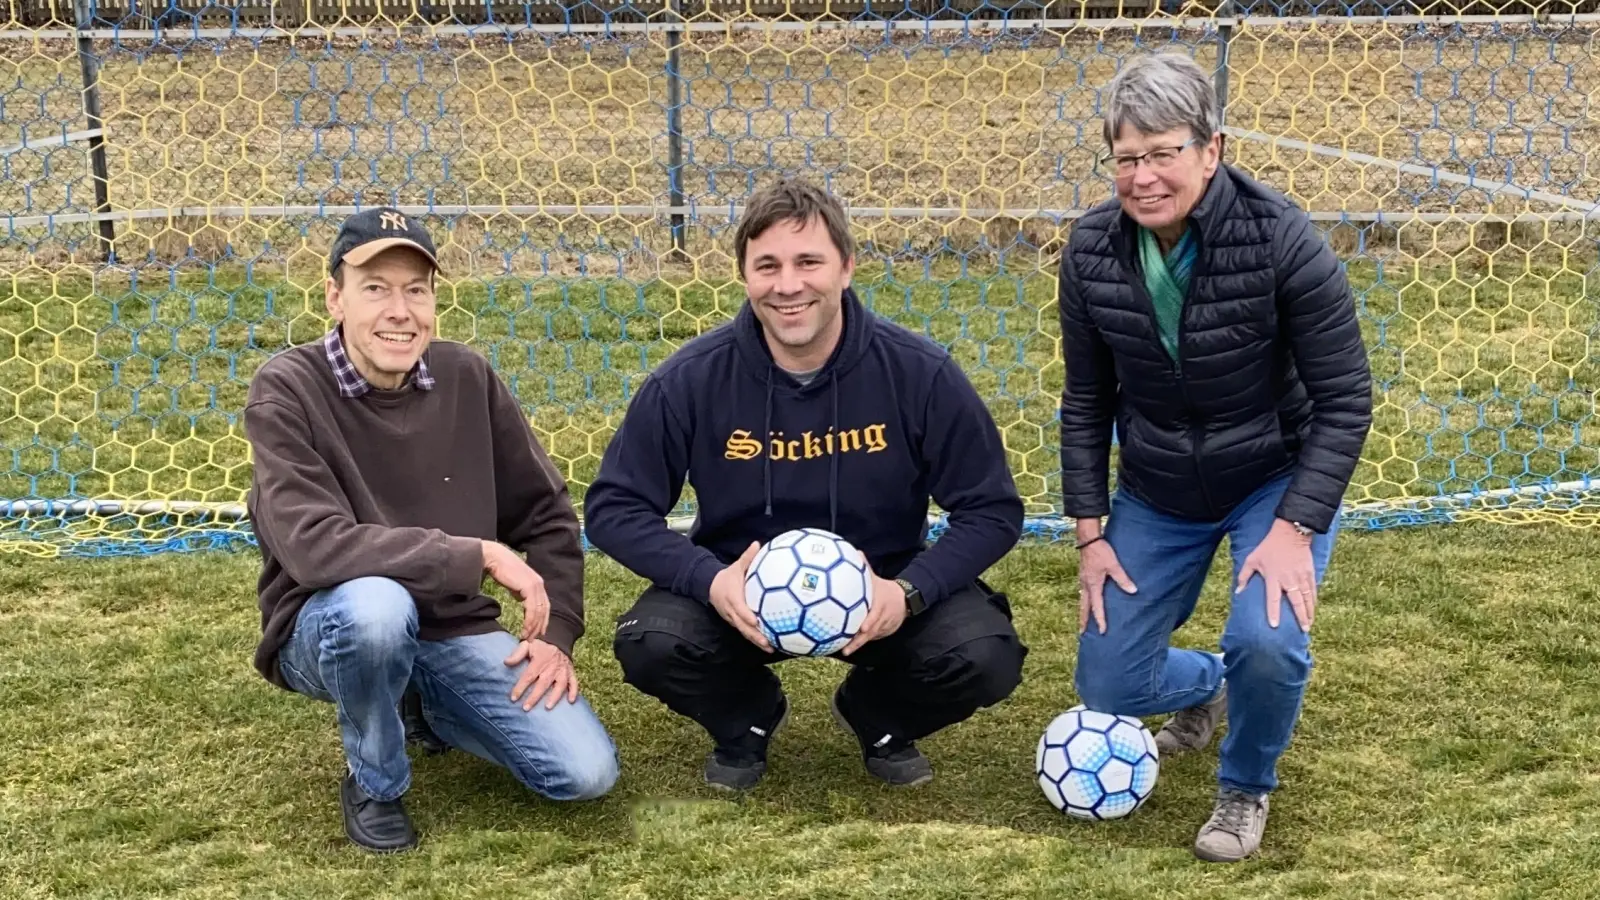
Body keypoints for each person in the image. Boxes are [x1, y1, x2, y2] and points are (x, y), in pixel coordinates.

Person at [583, 176, 1027, 792]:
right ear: (744, 274)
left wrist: (911, 592)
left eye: (808, 261)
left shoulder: (919, 374)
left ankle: (879, 712)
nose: (787, 285)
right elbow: (613, 508)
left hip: (882, 593)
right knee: (652, 643)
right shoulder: (690, 379)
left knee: (985, 654)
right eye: (767, 265)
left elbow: (992, 510)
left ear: (846, 267)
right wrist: (708, 581)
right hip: (736, 594)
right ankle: (747, 720)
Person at [1055, 52, 1373, 863]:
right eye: (1127, 158)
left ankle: (1243, 788)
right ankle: (1215, 685)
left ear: (1211, 149)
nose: (1145, 176)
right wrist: (1091, 534)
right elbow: (1087, 400)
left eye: (1164, 152)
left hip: (1273, 477)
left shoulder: (1282, 239)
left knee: (1268, 639)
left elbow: (1346, 402)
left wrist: (1296, 527)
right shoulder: (1091, 250)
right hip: (1157, 486)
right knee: (1109, 685)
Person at [243, 207, 619, 854]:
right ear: (335, 297)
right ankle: (377, 784)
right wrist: (472, 555)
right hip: (328, 622)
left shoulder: (466, 378)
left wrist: (556, 636)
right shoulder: (286, 390)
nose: (400, 310)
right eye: (376, 288)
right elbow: (313, 547)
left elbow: (549, 513)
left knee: (584, 774)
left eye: (416, 290)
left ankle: (425, 701)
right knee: (376, 610)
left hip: (450, 625)